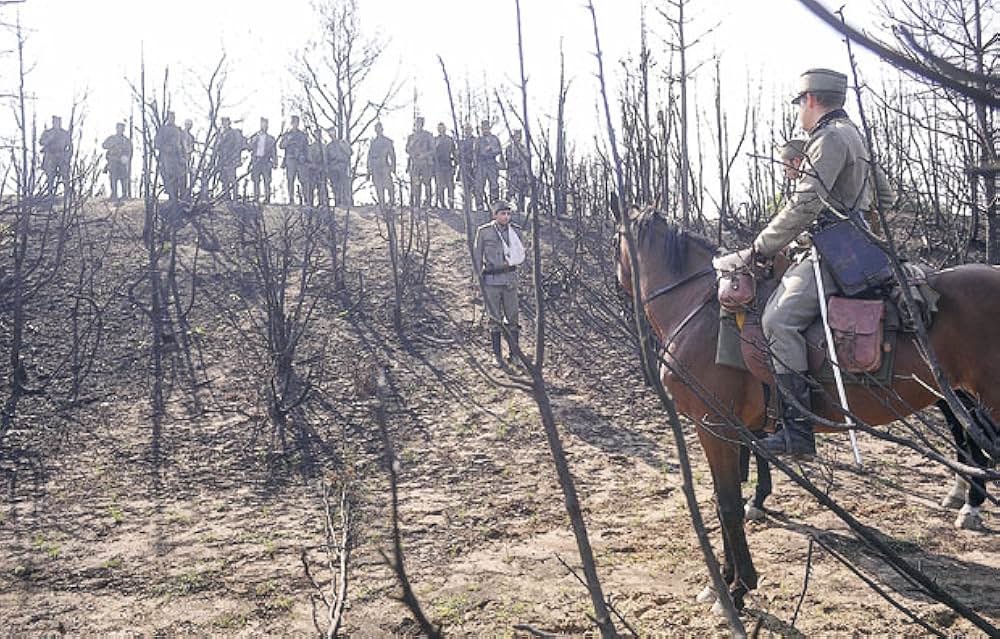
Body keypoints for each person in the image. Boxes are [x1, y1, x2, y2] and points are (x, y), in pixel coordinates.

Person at [714, 68, 894, 458]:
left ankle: (797, 432)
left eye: (799, 103)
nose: (799, 111)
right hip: (861, 245)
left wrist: (760, 248)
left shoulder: (828, 139)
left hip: (834, 251)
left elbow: (805, 203)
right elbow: (886, 196)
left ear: (811, 100)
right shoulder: (855, 136)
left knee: (778, 320)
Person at [473, 200, 526, 371]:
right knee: (494, 319)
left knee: (513, 318)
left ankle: (514, 354)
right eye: (503, 214)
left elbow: (520, 253)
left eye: (508, 214)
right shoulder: (484, 232)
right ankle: (497, 355)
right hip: (492, 281)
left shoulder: (516, 231)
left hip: (510, 280)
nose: (506, 217)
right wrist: (478, 280)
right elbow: (477, 257)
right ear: (494, 215)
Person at [154, 111, 186, 202]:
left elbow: (182, 143)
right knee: (169, 176)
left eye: (173, 117)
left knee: (180, 176)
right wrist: (165, 148)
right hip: (167, 157)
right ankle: (171, 196)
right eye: (170, 117)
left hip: (178, 157)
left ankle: (180, 197)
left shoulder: (178, 130)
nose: (172, 119)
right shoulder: (163, 130)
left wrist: (184, 156)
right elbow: (157, 143)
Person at [279, 115, 310, 204]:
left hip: (300, 160)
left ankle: (306, 199)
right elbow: (281, 146)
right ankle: (291, 198)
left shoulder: (302, 135)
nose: (295, 124)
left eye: (296, 122)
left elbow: (306, 148)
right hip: (290, 159)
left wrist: (305, 158)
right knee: (290, 179)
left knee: (303, 180)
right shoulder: (287, 134)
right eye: (293, 122)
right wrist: (288, 140)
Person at [39, 115, 72, 195]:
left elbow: (70, 146)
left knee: (65, 176)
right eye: (55, 122)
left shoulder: (65, 133)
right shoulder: (48, 132)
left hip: (62, 157)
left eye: (58, 122)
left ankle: (67, 194)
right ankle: (50, 193)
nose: (57, 123)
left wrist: (67, 156)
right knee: (50, 177)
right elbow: (41, 142)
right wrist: (49, 139)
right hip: (51, 156)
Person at [406, 116, 435, 207]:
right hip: (415, 163)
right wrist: (412, 151)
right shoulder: (411, 136)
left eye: (420, 123)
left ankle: (428, 203)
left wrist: (424, 155)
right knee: (415, 184)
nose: (419, 125)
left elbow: (433, 149)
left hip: (425, 163)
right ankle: (416, 203)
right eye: (417, 123)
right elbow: (407, 149)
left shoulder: (428, 135)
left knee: (427, 183)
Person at [247, 117, 277, 203]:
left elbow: (274, 151)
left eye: (265, 124)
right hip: (256, 160)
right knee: (256, 179)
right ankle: (256, 197)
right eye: (262, 123)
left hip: (266, 161)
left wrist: (275, 162)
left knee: (267, 180)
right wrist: (253, 140)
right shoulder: (255, 136)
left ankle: (267, 197)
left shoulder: (271, 138)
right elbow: (249, 147)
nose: (264, 125)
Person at [215, 116, 245, 201]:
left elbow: (237, 146)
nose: (224, 124)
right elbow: (217, 146)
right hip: (222, 159)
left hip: (230, 159)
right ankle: (226, 196)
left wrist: (234, 158)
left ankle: (235, 196)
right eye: (223, 122)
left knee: (232, 178)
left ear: (229, 122)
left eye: (226, 122)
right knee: (223, 179)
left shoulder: (233, 133)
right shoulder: (220, 133)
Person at [367, 122, 396, 209]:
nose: (378, 130)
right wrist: (369, 170)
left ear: (382, 129)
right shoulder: (373, 142)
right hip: (375, 167)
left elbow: (392, 155)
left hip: (384, 166)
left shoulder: (387, 141)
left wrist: (393, 166)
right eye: (376, 129)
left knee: (389, 185)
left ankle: (391, 202)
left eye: (379, 128)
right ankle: (382, 204)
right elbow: (369, 157)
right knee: (378, 186)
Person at [474, 119, 501, 208]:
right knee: (479, 185)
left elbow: (499, 150)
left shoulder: (494, 139)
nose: (485, 130)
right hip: (481, 164)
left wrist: (491, 149)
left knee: (494, 184)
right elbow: (475, 153)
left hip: (492, 163)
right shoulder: (479, 140)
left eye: (486, 128)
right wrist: (475, 166)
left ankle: (494, 203)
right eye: (483, 128)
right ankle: (479, 204)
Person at [102, 122, 132, 200]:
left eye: (122, 128)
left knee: (123, 178)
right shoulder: (111, 138)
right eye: (119, 128)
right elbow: (104, 145)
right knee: (113, 178)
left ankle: (124, 194)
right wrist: (112, 146)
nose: (120, 130)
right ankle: (114, 194)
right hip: (113, 161)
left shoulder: (126, 140)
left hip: (122, 161)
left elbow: (130, 151)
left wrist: (124, 154)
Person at [432, 122, 457, 209]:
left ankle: (451, 204)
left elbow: (454, 152)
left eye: (442, 128)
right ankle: (442, 203)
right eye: (439, 128)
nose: (441, 130)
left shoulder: (449, 139)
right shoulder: (435, 140)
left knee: (450, 186)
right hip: (438, 166)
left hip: (448, 165)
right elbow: (432, 153)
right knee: (439, 186)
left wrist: (455, 165)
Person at [326, 128, 352, 207]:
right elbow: (327, 159)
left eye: (332, 132)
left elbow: (350, 152)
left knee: (344, 185)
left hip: (342, 165)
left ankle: (347, 203)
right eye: (329, 133)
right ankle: (338, 202)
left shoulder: (342, 142)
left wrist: (343, 146)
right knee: (335, 186)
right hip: (333, 167)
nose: (331, 134)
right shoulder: (328, 146)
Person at [505, 129, 530, 211]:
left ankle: (521, 210)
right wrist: (516, 160)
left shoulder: (523, 148)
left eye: (519, 136)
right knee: (510, 191)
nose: (517, 138)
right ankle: (505, 209)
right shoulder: (509, 148)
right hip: (513, 173)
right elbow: (509, 159)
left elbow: (526, 160)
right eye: (516, 136)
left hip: (522, 173)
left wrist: (526, 173)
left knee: (521, 193)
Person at [304, 129, 328, 208]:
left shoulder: (324, 147)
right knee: (311, 187)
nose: (318, 136)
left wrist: (325, 168)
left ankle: (322, 203)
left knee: (321, 187)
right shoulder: (311, 147)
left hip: (321, 169)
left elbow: (326, 159)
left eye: (319, 134)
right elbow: (308, 158)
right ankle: (310, 203)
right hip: (313, 169)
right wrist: (311, 165)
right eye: (316, 134)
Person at [457, 122, 479, 209]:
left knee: (476, 187)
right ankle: (467, 207)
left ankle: (478, 206)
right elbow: (458, 154)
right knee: (465, 188)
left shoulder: (476, 140)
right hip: (464, 167)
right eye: (466, 129)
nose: (467, 131)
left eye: (469, 129)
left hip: (474, 166)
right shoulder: (461, 141)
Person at [181, 118, 196, 192]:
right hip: (182, 157)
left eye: (190, 125)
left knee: (191, 173)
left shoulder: (191, 136)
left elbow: (192, 147)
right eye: (187, 124)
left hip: (189, 157)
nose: (188, 126)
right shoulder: (181, 134)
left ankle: (189, 190)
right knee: (183, 175)